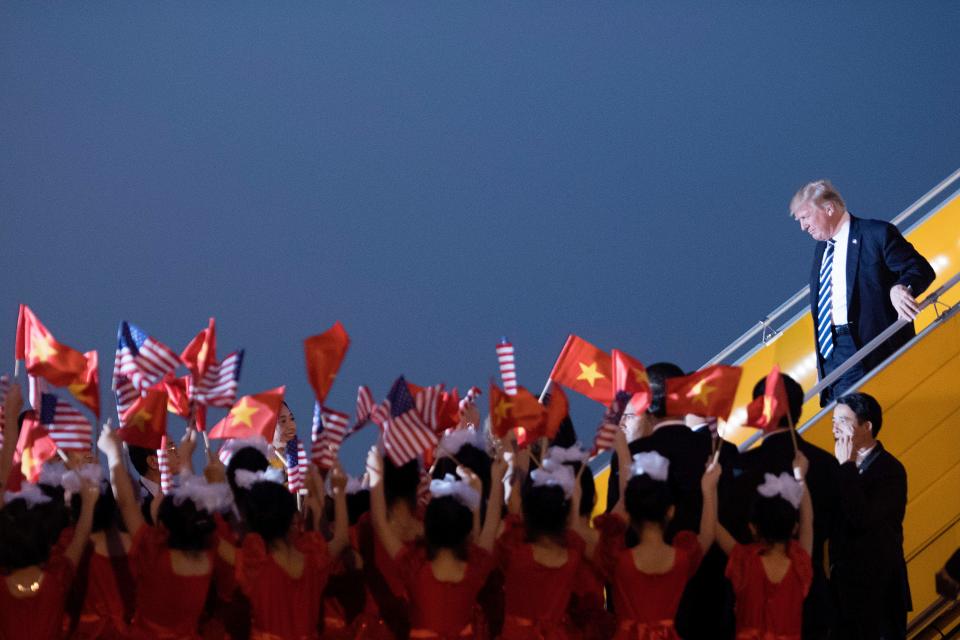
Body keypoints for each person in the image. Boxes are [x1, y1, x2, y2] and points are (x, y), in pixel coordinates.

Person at [790, 179, 936, 404]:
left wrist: (901, 287)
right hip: (830, 358)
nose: (803, 226)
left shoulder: (876, 233)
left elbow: (919, 269)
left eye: (805, 217)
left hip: (865, 347)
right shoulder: (822, 250)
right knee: (840, 429)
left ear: (829, 209)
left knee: (853, 422)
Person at [730, 373, 839, 639]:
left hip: (752, 593)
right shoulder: (825, 463)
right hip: (811, 589)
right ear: (798, 408)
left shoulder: (741, 467)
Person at [591, 429, 720, 639]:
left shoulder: (615, 559)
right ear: (671, 510)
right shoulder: (682, 558)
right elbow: (708, 534)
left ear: (630, 514)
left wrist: (623, 452)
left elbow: (617, 514)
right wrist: (709, 489)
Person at [370, 445, 506, 639]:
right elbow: (490, 527)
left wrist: (376, 472)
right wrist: (495, 480)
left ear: (428, 529)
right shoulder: (476, 567)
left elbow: (379, 523)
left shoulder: (414, 568)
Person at [831, 392, 911, 639]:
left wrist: (847, 468)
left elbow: (862, 519)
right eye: (833, 420)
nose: (835, 426)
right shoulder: (837, 463)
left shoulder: (890, 470)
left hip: (881, 592)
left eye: (843, 420)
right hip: (846, 593)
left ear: (867, 426)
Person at [717, 453, 814, 640]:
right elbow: (808, 520)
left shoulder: (744, 561)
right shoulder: (800, 564)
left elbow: (712, 525)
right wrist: (800, 476)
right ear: (794, 527)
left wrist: (709, 487)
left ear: (752, 527)